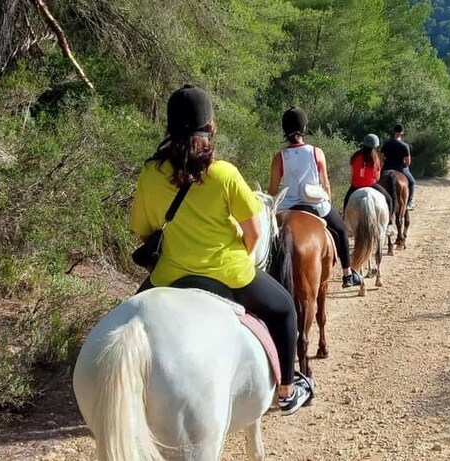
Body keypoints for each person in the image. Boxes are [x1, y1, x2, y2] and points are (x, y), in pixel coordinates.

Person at [131, 84, 314, 415]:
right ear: (210, 126)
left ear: (169, 126)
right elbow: (255, 231)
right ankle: (287, 391)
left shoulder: (150, 172)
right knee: (285, 309)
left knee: (128, 319)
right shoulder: (224, 173)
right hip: (229, 274)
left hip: (170, 274)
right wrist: (234, 255)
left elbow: (142, 232)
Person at [267, 107, 364, 289]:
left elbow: (272, 190)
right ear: (304, 128)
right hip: (314, 204)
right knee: (341, 230)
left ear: (284, 129)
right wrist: (327, 198)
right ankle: (347, 274)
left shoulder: (279, 157)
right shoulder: (316, 152)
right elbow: (325, 183)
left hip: (287, 207)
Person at [342, 134, 396, 221]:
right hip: (371, 185)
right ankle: (389, 223)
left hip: (355, 186)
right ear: (375, 146)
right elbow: (377, 177)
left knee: (346, 201)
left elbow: (352, 174)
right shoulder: (375, 158)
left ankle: (344, 220)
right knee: (389, 199)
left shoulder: (355, 156)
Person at [382, 124, 416, 210]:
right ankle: (409, 202)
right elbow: (408, 162)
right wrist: (404, 165)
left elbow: (381, 158)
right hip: (400, 168)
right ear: (402, 133)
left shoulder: (386, 144)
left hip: (387, 167)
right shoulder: (404, 146)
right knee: (412, 182)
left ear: (394, 132)